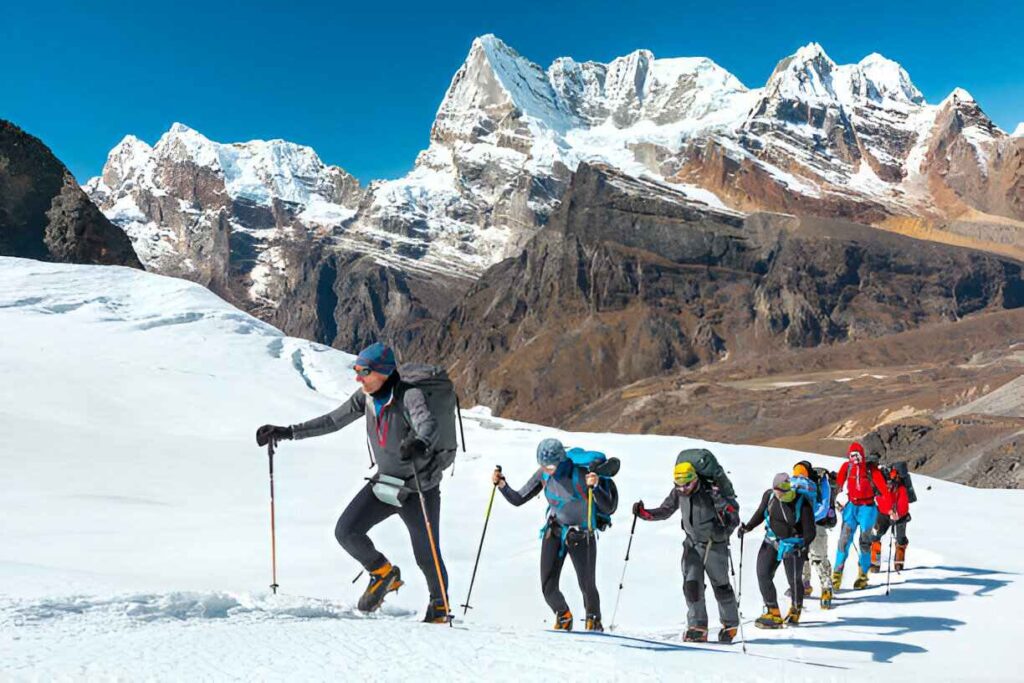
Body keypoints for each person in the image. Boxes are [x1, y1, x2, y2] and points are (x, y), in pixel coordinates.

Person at [255, 342, 454, 624]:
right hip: (384, 483)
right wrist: (287, 432)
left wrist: (420, 442)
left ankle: (440, 608)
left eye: (364, 372)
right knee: (347, 531)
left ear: (383, 372)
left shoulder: (410, 396)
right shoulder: (366, 397)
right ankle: (383, 573)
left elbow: (428, 424)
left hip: (417, 488)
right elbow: (333, 421)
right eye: (356, 370)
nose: (358, 377)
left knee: (426, 553)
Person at [492, 438, 616, 632]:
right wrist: (502, 485)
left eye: (550, 466)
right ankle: (563, 614)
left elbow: (608, 506)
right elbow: (519, 498)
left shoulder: (581, 474)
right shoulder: (544, 474)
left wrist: (597, 485)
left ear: (561, 460)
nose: (547, 470)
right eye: (543, 465)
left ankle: (593, 620)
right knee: (547, 586)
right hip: (555, 530)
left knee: (587, 585)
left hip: (582, 533)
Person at [632, 459, 741, 643]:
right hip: (692, 544)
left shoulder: (711, 491)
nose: (682, 489)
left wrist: (721, 510)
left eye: (686, 485)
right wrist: (645, 514)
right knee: (691, 585)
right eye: (678, 486)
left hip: (715, 544)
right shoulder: (679, 492)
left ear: (695, 479)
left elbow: (733, 518)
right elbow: (666, 510)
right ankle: (697, 626)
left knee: (721, 587)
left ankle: (730, 624)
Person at [737, 473, 816, 628]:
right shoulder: (769, 497)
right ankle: (773, 611)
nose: (781, 495)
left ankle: (795, 610)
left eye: (785, 492)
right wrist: (748, 528)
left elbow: (810, 531)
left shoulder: (802, 502)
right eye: (779, 492)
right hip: (771, 540)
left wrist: (803, 544)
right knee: (763, 574)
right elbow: (761, 513)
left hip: (793, 544)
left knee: (793, 579)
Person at [831, 442, 893, 591]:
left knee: (864, 542)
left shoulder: (871, 470)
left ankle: (863, 576)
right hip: (851, 507)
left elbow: (884, 491)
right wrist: (835, 501)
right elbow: (838, 485)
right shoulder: (847, 467)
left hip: (868, 508)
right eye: (852, 455)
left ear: (862, 455)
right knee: (843, 541)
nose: (855, 458)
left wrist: (890, 509)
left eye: (857, 455)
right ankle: (836, 576)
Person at [790, 462, 837, 609]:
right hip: (804, 524)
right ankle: (805, 584)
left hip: (817, 525)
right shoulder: (798, 484)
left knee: (818, 557)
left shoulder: (821, 482)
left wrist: (805, 518)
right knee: (801, 555)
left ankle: (826, 587)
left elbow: (824, 508)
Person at [870, 465, 912, 572]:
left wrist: (898, 513)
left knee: (900, 538)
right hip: (884, 513)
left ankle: (899, 561)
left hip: (899, 515)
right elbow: (880, 500)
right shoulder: (880, 487)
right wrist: (890, 511)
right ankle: (875, 562)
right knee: (876, 535)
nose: (888, 485)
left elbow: (904, 504)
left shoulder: (901, 488)